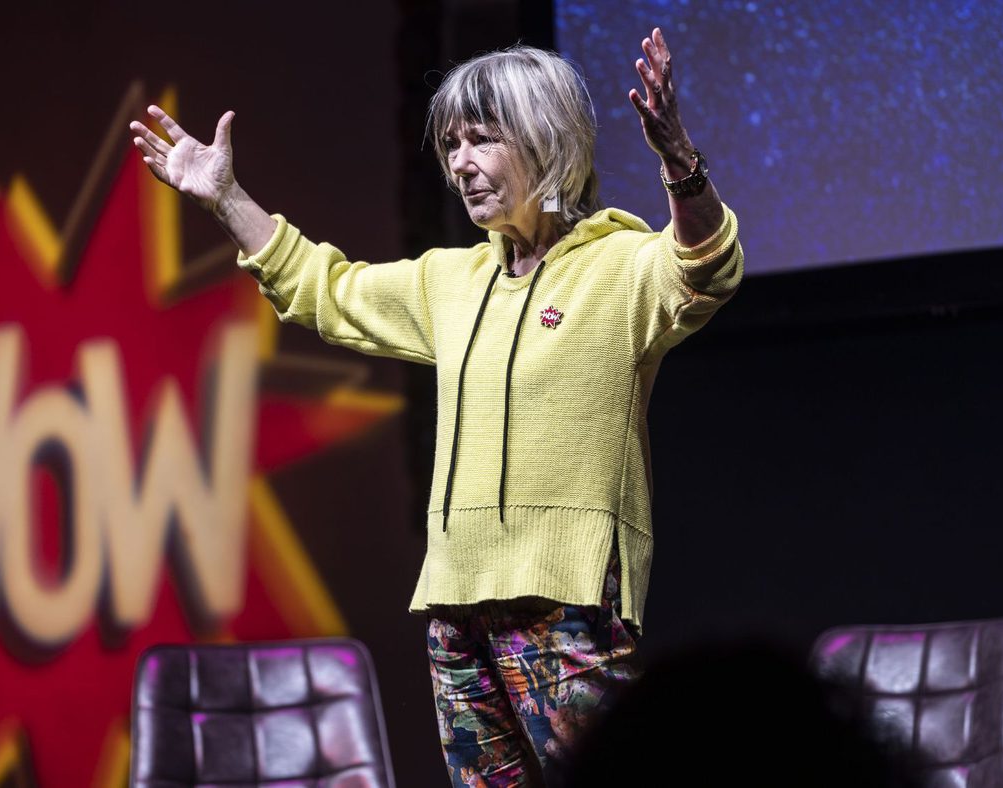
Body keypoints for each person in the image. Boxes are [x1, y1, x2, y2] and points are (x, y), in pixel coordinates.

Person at [130, 27, 742, 787]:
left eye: (481, 140)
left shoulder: (622, 267)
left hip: (563, 602)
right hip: (456, 606)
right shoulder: (450, 283)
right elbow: (326, 291)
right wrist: (225, 198)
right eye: (452, 144)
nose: (459, 164)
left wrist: (679, 161)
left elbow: (706, 269)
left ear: (544, 141)